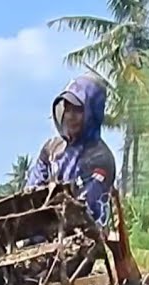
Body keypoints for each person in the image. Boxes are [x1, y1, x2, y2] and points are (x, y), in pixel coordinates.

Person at [25, 74, 118, 226]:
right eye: (67, 110)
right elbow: (30, 193)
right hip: (42, 230)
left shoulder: (101, 158)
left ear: (92, 113)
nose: (70, 117)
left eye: (78, 111)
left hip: (86, 237)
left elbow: (85, 209)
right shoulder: (51, 150)